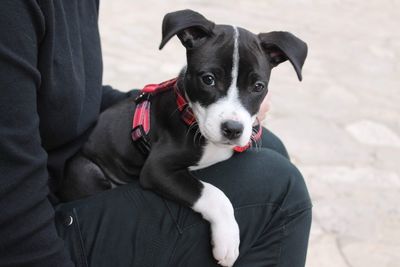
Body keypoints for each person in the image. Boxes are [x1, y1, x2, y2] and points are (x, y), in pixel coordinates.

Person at [0, 1, 312, 266]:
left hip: (90, 168)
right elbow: (10, 191)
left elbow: (71, 92)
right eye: (208, 80)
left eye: (256, 88)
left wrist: (164, 103)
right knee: (281, 189)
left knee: (268, 148)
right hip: (43, 222)